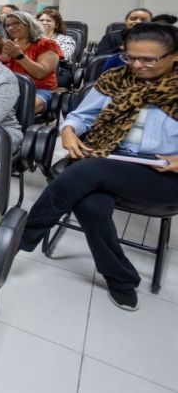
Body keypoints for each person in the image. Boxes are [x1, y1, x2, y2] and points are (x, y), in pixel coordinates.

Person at [19, 23, 178, 312]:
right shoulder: (115, 79)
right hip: (111, 154)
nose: (137, 65)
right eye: (131, 57)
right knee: (91, 204)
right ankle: (121, 279)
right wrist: (68, 130)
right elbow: (81, 116)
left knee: (87, 170)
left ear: (174, 56)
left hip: (163, 172)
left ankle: (22, 236)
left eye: (148, 59)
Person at [0, 10, 61, 113]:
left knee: (17, 110)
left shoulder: (46, 44)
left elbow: (40, 73)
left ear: (29, 24)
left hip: (38, 90)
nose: (11, 27)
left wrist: (19, 55)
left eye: (16, 23)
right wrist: (3, 60)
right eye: (8, 25)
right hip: (8, 89)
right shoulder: (7, 45)